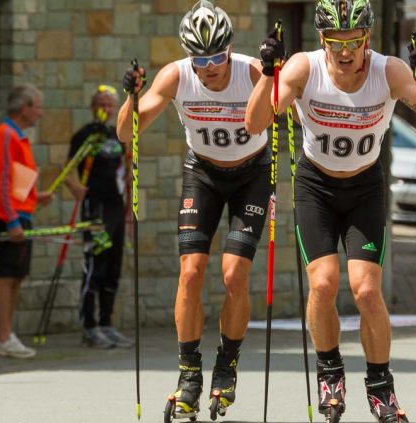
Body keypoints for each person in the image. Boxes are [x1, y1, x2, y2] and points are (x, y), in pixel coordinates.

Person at [245, 1, 416, 421]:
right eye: (336, 43)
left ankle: (380, 386)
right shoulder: (305, 68)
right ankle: (330, 374)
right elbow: (254, 124)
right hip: (316, 187)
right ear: (322, 40)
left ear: (367, 40)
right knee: (322, 284)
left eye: (353, 43)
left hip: (364, 189)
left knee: (365, 289)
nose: (345, 53)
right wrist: (269, 75)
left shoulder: (389, 70)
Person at [117, 1, 270, 418]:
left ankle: (228, 364)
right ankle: (189, 373)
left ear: (230, 49)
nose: (211, 68)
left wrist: (276, 74)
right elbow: (127, 133)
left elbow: (284, 110)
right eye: (200, 59)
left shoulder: (252, 71)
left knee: (235, 273)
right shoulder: (176, 76)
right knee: (190, 271)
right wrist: (130, 96)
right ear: (189, 56)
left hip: (252, 174)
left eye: (218, 56)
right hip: (202, 173)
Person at [0, 84, 53, 358]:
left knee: (16, 277)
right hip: (10, 218)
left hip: (21, 214)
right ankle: (2, 337)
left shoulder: (17, 136)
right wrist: (11, 220)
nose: (40, 113)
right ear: (24, 108)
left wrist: (36, 198)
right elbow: (1, 180)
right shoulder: (5, 135)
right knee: (6, 276)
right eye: (37, 107)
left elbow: (15, 182)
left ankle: (7, 335)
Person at [66, 85, 134, 349]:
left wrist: (129, 173)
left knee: (114, 264)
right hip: (95, 206)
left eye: (110, 105)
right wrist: (75, 188)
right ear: (93, 108)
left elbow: (125, 163)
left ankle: (106, 322)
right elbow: (68, 168)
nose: (106, 109)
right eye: (101, 105)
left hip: (115, 205)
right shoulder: (86, 134)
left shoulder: (118, 135)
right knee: (96, 263)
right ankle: (89, 326)